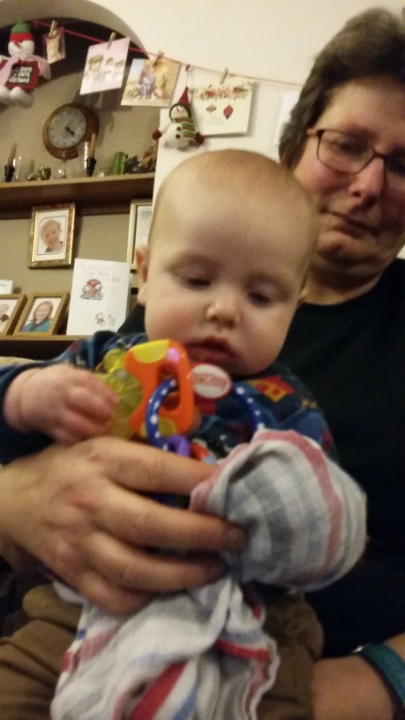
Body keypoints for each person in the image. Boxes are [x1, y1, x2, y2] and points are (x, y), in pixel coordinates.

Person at [1, 6, 405, 719]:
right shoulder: (144, 340)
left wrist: (374, 684)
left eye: (404, 164)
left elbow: (319, 506)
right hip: (76, 617)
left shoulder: (285, 398)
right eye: (345, 145)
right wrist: (18, 490)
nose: (369, 186)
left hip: (271, 646)